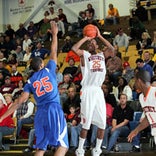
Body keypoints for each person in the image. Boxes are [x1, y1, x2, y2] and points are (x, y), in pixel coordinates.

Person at [0, 21, 68, 156]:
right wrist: (54, 34)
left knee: (41, 148)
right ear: (42, 64)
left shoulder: (30, 81)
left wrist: (2, 117)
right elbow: (54, 50)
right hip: (53, 109)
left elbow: (19, 102)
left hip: (40, 113)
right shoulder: (49, 70)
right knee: (63, 145)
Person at [71, 25, 114, 156]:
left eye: (93, 42)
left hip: (98, 91)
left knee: (102, 123)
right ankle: (80, 149)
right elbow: (74, 48)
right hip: (88, 90)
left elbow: (112, 49)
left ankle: (97, 149)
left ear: (97, 45)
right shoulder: (85, 55)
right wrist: (86, 38)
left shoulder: (102, 54)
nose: (91, 43)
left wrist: (99, 36)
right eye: (89, 43)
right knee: (86, 123)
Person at [128, 70, 156, 146]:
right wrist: (136, 131)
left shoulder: (154, 92)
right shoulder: (141, 97)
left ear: (139, 81)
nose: (134, 84)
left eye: (135, 81)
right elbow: (148, 118)